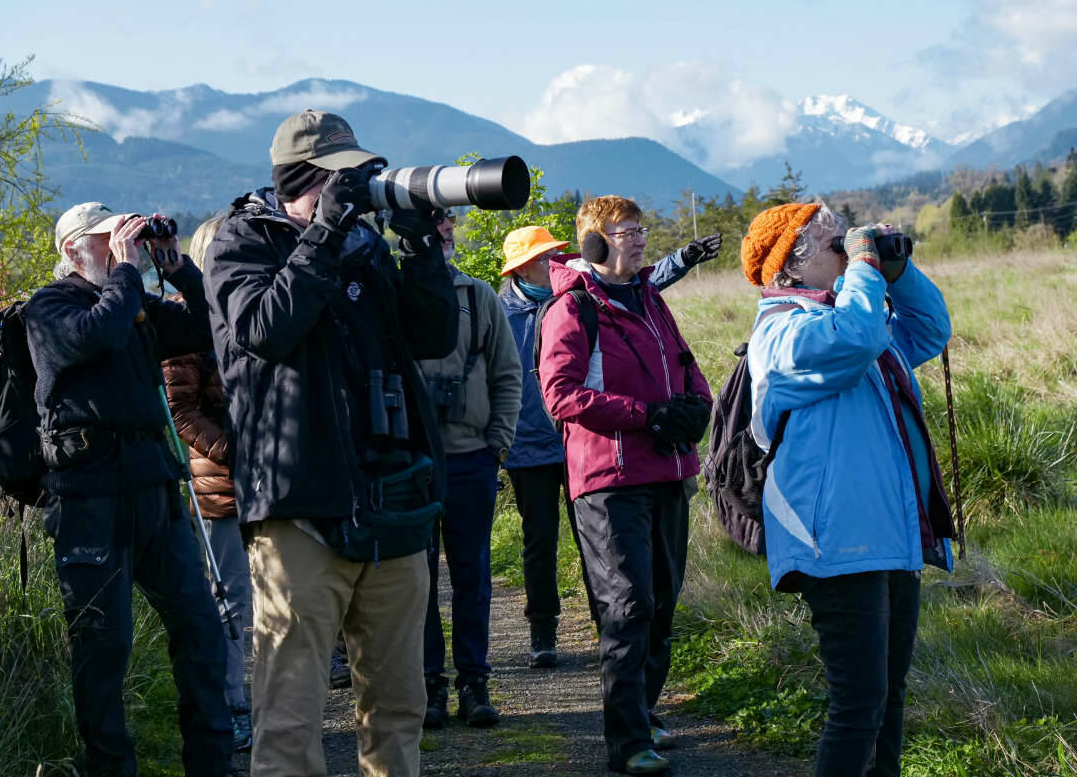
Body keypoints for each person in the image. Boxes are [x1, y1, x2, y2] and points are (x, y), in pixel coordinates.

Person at [204, 110, 457, 777]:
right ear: (303, 179)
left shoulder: (365, 245)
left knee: (401, 707)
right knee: (290, 719)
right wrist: (322, 233)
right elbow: (265, 329)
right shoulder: (239, 243)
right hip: (301, 509)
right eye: (344, 179)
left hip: (392, 504)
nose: (358, 190)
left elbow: (431, 338)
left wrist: (422, 249)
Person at [741, 202, 955, 777]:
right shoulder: (781, 333)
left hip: (889, 537)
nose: (850, 253)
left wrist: (897, 272)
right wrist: (863, 271)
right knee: (858, 709)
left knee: (887, 705)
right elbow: (854, 342)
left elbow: (931, 330)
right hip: (833, 545)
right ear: (792, 262)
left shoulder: (849, 318)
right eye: (838, 245)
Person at [27, 202, 232, 777]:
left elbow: (206, 327)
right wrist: (125, 270)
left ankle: (213, 764)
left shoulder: (134, 300)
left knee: (200, 630)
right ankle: (110, 769)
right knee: (103, 646)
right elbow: (99, 335)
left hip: (153, 491)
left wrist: (175, 268)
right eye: (108, 238)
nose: (125, 245)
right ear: (72, 249)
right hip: (88, 498)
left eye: (126, 235)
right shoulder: (49, 307)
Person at [538, 195, 712, 776]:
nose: (639, 239)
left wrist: (696, 408)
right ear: (594, 243)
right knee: (627, 606)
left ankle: (643, 709)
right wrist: (646, 415)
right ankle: (628, 740)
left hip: (667, 469)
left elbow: (686, 365)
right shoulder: (573, 309)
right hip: (608, 479)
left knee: (661, 603)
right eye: (625, 231)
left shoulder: (650, 298)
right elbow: (560, 394)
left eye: (641, 229)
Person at [498, 225, 722, 668]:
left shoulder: (581, 302)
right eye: (544, 257)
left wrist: (685, 256)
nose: (555, 261)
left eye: (555, 254)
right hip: (531, 445)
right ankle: (543, 629)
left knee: (598, 553)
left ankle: (614, 635)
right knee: (539, 540)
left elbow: (645, 280)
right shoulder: (503, 315)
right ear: (521, 266)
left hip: (592, 443)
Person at [417, 210, 523, 729]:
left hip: (470, 461)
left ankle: (473, 683)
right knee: (417, 581)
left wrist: (495, 446)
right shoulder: (394, 292)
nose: (445, 233)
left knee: (472, 576)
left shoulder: (476, 296)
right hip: (410, 466)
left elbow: (507, 373)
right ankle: (428, 686)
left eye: (448, 226)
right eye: (435, 226)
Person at [161, 215, 252, 753]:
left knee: (285, 597)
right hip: (218, 487)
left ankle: (280, 704)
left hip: (273, 481)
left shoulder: (247, 307)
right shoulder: (182, 321)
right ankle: (233, 709)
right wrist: (236, 454)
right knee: (232, 601)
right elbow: (180, 411)